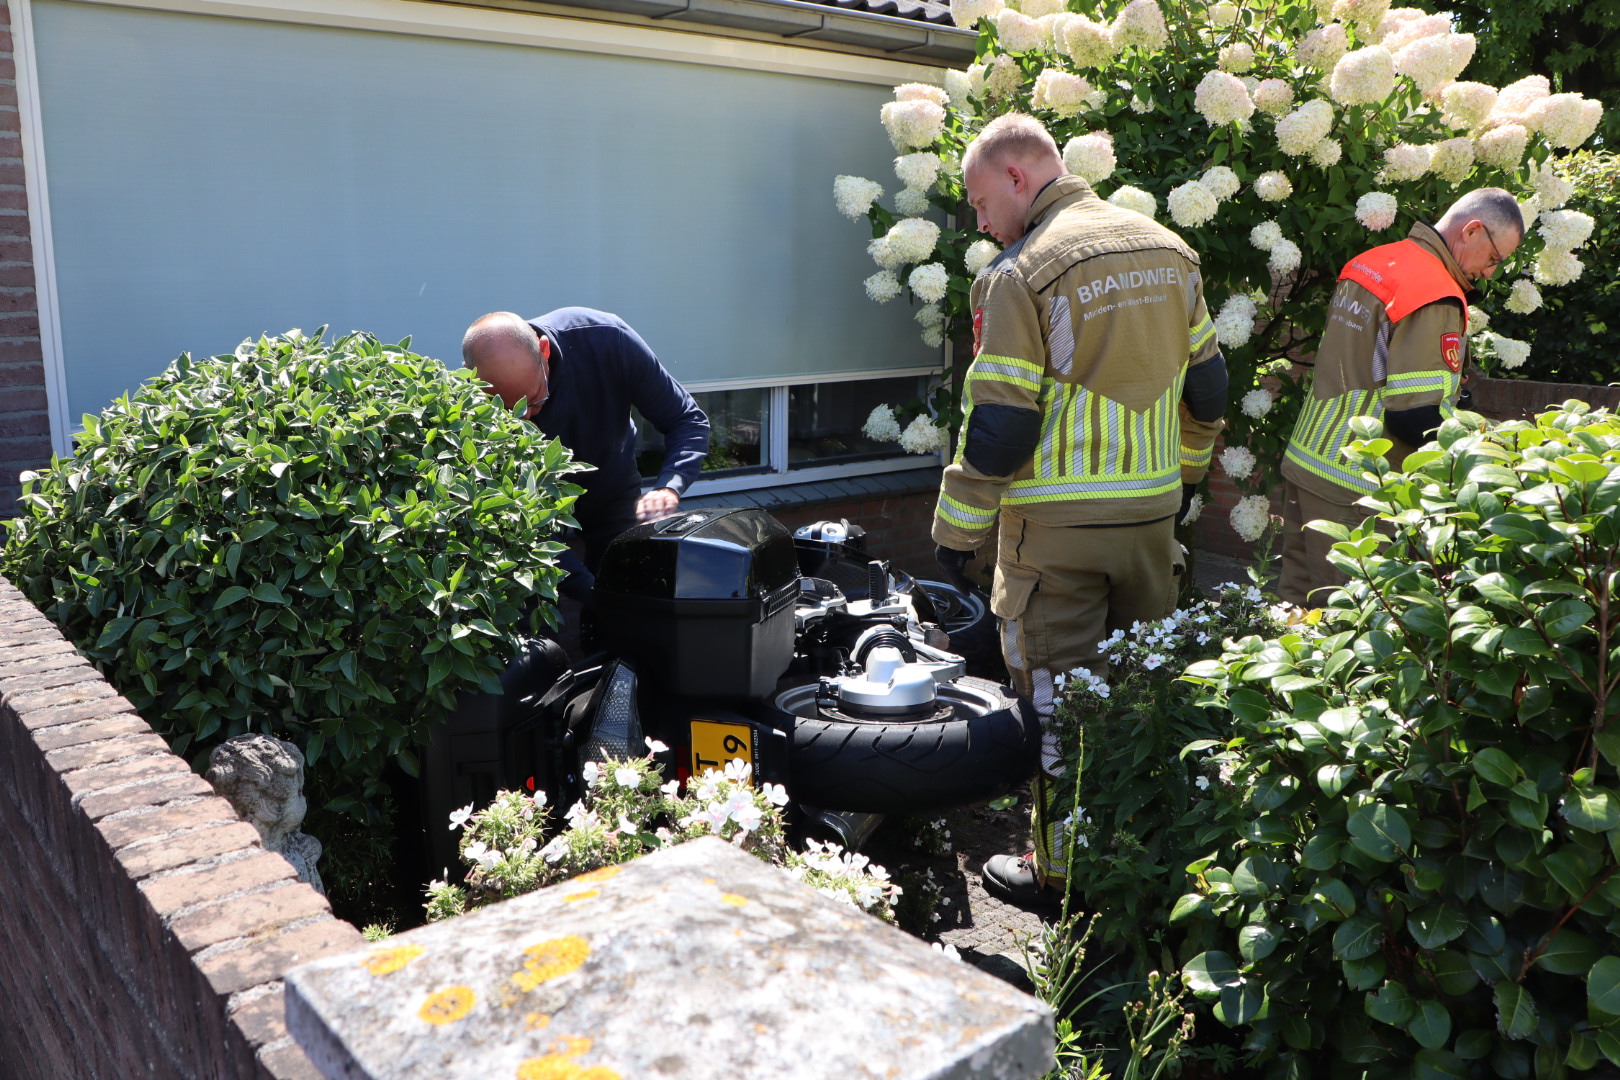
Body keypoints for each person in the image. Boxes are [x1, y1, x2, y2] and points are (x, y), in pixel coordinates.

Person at [930, 114, 1227, 908]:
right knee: (1143, 699)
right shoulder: (1171, 251)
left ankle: (1061, 876)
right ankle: (1152, 859)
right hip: (1151, 532)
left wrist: (955, 537)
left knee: (1060, 713)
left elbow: (1000, 425)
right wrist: (1183, 480)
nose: (980, 219)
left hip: (1053, 546)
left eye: (981, 199)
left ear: (1019, 178)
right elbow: (1210, 389)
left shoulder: (1018, 271)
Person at [1278, 188, 1523, 607]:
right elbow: (1413, 416)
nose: (1490, 273)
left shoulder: (1372, 263)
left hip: (1310, 463)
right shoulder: (1434, 292)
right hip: (1358, 490)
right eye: (1495, 258)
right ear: (1473, 230)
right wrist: (1489, 447)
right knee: (1346, 626)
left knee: (1295, 608)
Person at [462, 308, 709, 601]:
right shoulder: (471, 402)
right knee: (534, 609)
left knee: (630, 593)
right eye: (509, 408)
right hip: (533, 507)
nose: (525, 417)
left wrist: (671, 484)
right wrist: (588, 592)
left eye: (534, 398)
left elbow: (687, 420)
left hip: (611, 482)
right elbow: (520, 530)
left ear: (544, 351)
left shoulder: (607, 340)